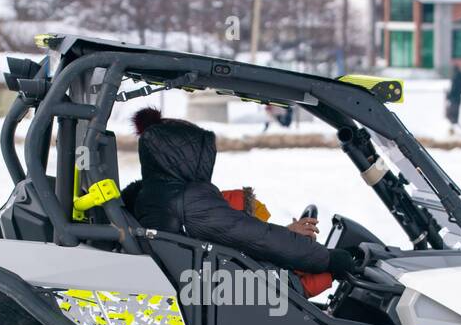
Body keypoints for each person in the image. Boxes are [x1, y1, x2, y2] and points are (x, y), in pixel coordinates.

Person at [129, 107, 356, 278]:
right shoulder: (187, 199)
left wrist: (288, 233)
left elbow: (236, 234)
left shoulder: (155, 193)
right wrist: (328, 259)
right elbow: (254, 236)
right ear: (186, 157)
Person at [445, 64, 461, 130]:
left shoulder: (455, 78)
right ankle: (455, 128)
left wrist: (449, 95)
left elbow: (453, 89)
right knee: (455, 114)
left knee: (451, 114)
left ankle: (453, 129)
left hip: (454, 99)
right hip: (458, 98)